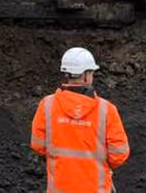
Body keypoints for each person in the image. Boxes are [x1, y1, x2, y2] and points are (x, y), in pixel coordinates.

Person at [29, 47, 129, 193]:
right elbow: (119, 155)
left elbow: (38, 145)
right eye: (92, 73)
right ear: (86, 76)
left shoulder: (47, 105)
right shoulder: (106, 110)